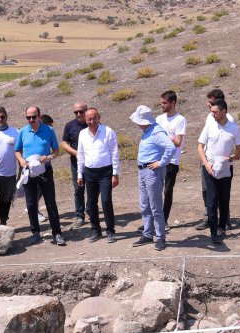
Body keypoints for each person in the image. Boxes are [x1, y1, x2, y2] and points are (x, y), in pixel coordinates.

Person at [15, 106, 66, 245]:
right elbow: (17, 150)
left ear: (39, 116)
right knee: (31, 203)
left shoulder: (48, 130)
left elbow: (56, 150)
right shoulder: (23, 131)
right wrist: (21, 160)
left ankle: (57, 233)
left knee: (50, 202)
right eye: (28, 117)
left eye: (34, 117)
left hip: (45, 171)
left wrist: (49, 157)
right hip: (28, 171)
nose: (31, 120)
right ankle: (35, 232)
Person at [130, 105, 176, 251]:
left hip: (152, 172)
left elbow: (171, 147)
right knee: (144, 205)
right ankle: (148, 233)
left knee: (155, 206)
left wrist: (161, 163)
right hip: (143, 171)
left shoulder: (156, 131)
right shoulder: (147, 131)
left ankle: (161, 237)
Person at [198, 100, 240, 244]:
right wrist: (206, 164)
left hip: (225, 168)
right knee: (211, 201)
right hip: (209, 168)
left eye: (215, 112)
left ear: (224, 112)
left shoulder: (234, 128)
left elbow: (239, 151)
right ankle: (213, 232)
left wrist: (229, 158)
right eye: (212, 111)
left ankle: (222, 227)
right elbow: (200, 146)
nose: (212, 114)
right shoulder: (209, 126)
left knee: (224, 199)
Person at [76, 108, 119, 243]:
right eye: (89, 119)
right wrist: (79, 174)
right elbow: (81, 155)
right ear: (85, 120)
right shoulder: (82, 134)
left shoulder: (108, 131)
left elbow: (115, 153)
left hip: (105, 172)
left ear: (99, 117)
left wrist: (115, 174)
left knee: (106, 201)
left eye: (94, 118)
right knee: (91, 203)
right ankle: (96, 230)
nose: (92, 121)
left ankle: (110, 231)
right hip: (89, 173)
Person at [155, 90, 186, 226]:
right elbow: (155, 138)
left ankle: (163, 220)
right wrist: (169, 139)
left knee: (167, 190)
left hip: (172, 161)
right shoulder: (159, 119)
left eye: (164, 103)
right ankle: (153, 219)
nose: (161, 105)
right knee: (155, 190)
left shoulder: (180, 120)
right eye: (161, 102)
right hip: (158, 159)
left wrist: (164, 140)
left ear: (173, 103)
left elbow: (178, 141)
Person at [62, 101, 89, 230]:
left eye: (81, 111)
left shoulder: (93, 123)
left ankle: (90, 210)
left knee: (93, 188)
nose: (78, 114)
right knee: (79, 189)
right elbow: (64, 143)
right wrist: (75, 153)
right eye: (76, 112)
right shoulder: (70, 126)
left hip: (92, 162)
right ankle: (79, 215)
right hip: (76, 162)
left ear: (86, 111)